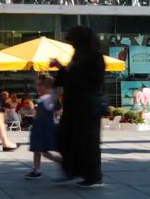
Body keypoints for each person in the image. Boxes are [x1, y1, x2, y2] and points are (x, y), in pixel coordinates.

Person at [51, 26, 105, 189]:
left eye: (74, 41)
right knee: (65, 138)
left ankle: (93, 176)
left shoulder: (94, 57)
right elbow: (69, 76)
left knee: (88, 142)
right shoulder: (79, 55)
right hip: (74, 104)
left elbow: (90, 78)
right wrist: (63, 69)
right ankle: (73, 171)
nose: (72, 44)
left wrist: (67, 69)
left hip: (87, 105)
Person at [24, 75, 62, 179]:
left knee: (45, 153)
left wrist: (53, 82)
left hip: (44, 129)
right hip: (38, 128)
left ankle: (65, 163)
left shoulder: (50, 97)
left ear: (48, 86)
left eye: (40, 85)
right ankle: (37, 170)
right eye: (37, 84)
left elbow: (58, 90)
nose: (37, 87)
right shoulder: (42, 98)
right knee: (37, 150)